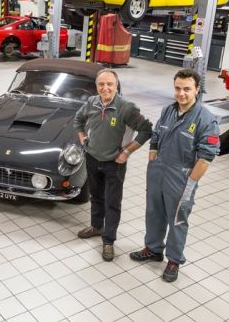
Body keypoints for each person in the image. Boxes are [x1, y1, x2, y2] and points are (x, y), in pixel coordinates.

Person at [130, 69, 220, 282]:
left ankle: (174, 260)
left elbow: (206, 157)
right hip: (158, 172)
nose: (181, 93)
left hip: (181, 177)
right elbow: (157, 135)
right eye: (178, 88)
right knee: (154, 212)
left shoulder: (206, 119)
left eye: (187, 89)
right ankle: (153, 249)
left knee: (178, 219)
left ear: (197, 90)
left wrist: (190, 185)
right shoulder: (168, 110)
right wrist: (153, 155)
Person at [73, 69, 152, 262]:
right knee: (96, 196)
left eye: (109, 84)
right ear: (96, 86)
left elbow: (146, 130)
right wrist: (83, 139)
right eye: (101, 84)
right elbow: (78, 120)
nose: (105, 88)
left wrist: (127, 152)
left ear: (116, 86)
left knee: (112, 202)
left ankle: (108, 241)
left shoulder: (126, 107)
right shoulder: (91, 102)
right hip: (92, 158)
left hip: (114, 164)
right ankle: (96, 226)